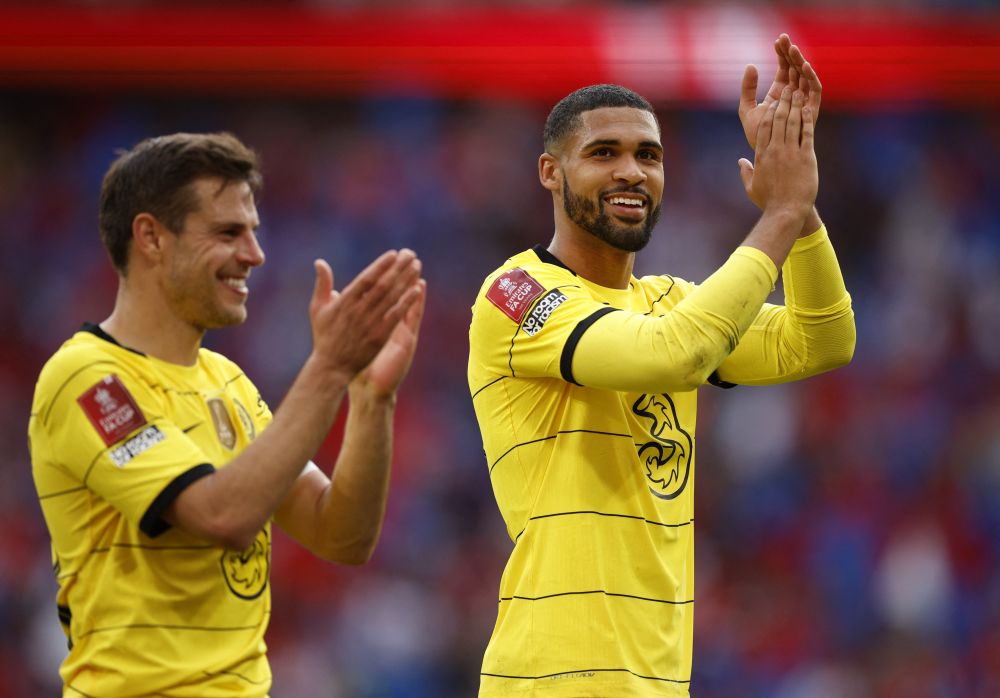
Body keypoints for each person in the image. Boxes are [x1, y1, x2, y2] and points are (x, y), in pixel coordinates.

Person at [467, 35, 854, 697]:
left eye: (649, 155)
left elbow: (819, 340)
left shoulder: (670, 302)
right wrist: (780, 214)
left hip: (657, 681)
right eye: (603, 153)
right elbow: (673, 355)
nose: (631, 172)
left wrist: (803, 208)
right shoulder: (516, 294)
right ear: (550, 172)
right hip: (553, 680)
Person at [28, 132, 426, 697]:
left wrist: (369, 398)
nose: (255, 254)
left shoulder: (227, 382)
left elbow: (341, 534)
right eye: (227, 232)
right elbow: (221, 516)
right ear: (151, 238)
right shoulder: (88, 379)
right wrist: (329, 369)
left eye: (254, 232)